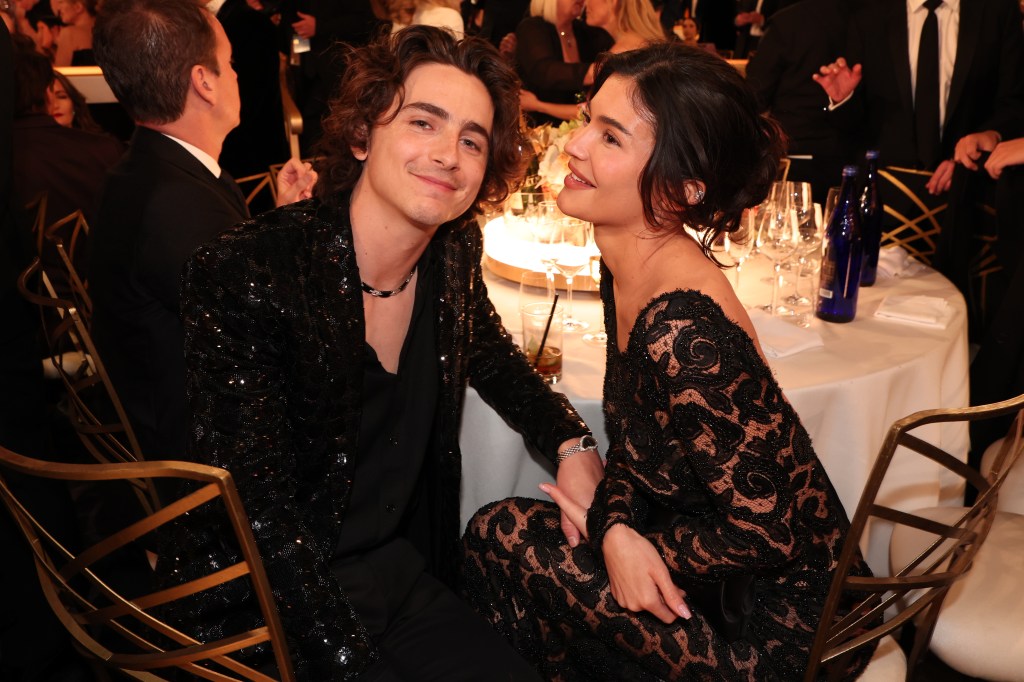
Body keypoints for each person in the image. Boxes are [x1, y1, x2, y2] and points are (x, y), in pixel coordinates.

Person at [168, 25, 603, 679]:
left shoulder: (451, 252)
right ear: (362, 134)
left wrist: (573, 443)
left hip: (393, 574)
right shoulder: (250, 272)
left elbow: (492, 357)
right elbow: (261, 517)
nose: (448, 155)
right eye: (423, 122)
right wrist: (352, 665)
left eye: (472, 140)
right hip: (266, 607)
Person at [463, 43, 874, 680]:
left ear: (682, 190)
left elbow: (770, 534)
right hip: (715, 568)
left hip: (784, 627)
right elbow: (639, 448)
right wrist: (613, 527)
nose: (575, 146)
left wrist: (628, 542)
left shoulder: (683, 329)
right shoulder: (628, 268)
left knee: (501, 536)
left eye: (610, 137)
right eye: (587, 121)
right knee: (504, 541)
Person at [89, 0, 315, 461]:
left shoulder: (156, 166)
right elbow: (275, 332)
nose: (236, 74)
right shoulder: (176, 206)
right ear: (204, 82)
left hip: (183, 414)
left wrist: (282, 218)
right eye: (229, 63)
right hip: (205, 457)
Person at [12, 39, 122, 275]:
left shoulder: (101, 146)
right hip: (90, 284)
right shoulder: (102, 152)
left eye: (64, 96)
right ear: (47, 94)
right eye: (56, 94)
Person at [745, 0, 854, 201]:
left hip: (797, 153)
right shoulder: (869, 17)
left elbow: (756, 93)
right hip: (852, 155)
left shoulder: (789, 21)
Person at [514, 0, 612, 124]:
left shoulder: (583, 30)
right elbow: (545, 71)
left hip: (579, 124)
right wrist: (592, 72)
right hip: (538, 126)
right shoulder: (532, 27)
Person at [51, 0, 96, 65]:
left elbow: (60, 69)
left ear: (78, 7)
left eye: (61, 2)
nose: (58, 8)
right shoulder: (106, 30)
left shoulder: (69, 33)